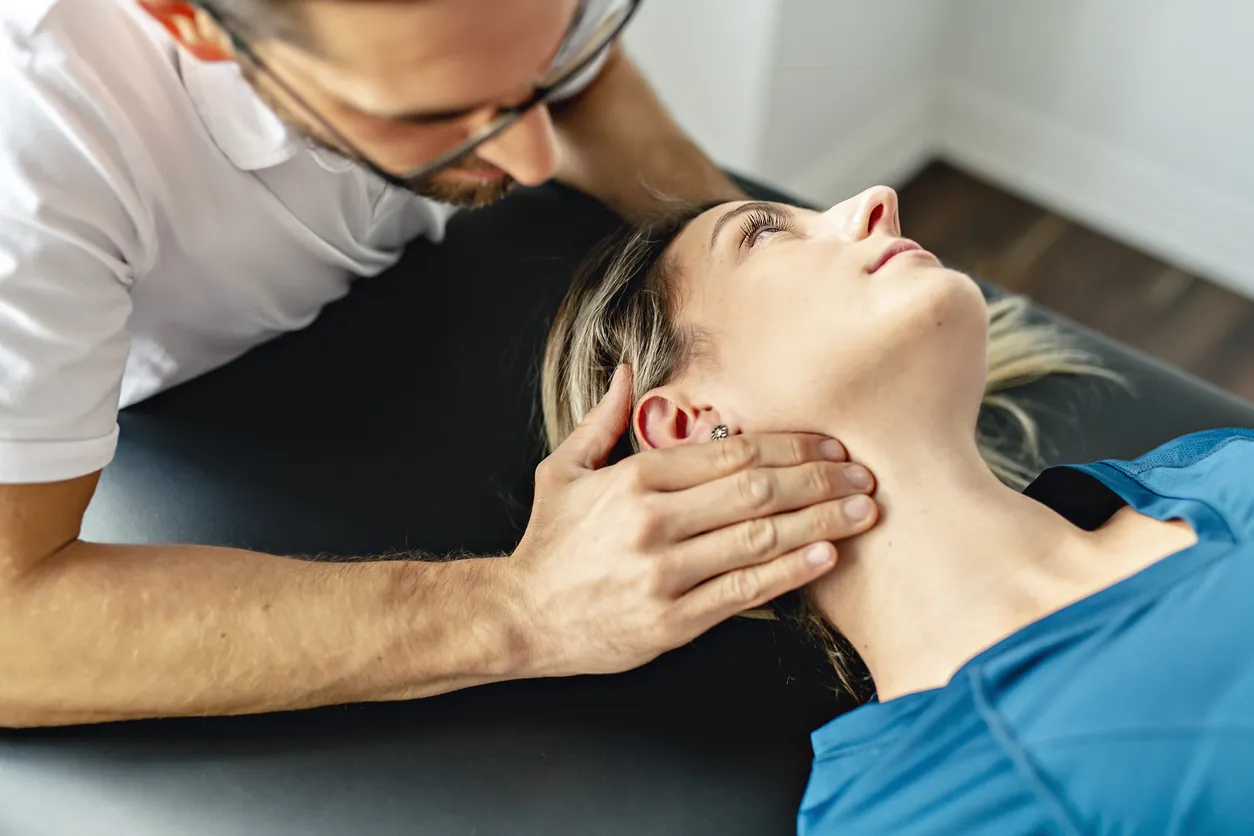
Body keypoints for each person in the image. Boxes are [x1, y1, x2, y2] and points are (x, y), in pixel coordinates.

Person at [0, 0, 882, 728]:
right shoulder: (33, 153)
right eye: (433, 115)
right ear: (185, 19)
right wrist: (523, 610)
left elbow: (563, 85)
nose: (537, 158)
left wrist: (774, 280)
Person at [541, 185, 1254, 834]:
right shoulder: (914, 806)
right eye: (762, 233)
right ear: (690, 427)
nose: (878, 199)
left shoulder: (1213, 467)